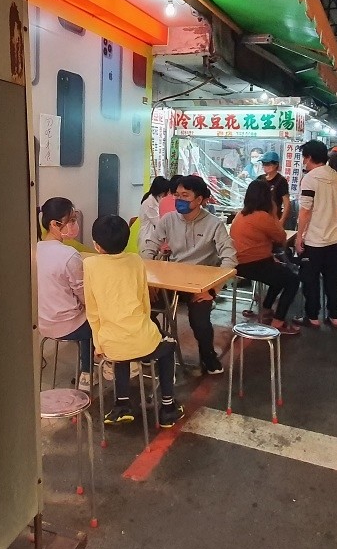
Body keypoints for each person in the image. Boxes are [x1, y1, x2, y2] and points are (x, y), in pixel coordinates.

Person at [84, 215, 183, 428]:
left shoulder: (89, 265)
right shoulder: (136, 260)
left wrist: (98, 344)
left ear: (96, 245)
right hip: (142, 339)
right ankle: (168, 407)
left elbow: (93, 312)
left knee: (122, 352)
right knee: (169, 345)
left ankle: (121, 405)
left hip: (110, 344)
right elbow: (144, 302)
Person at [142, 175, 238, 375]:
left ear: (200, 199)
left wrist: (213, 289)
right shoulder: (168, 220)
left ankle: (208, 357)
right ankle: (154, 346)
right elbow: (150, 246)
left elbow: (230, 259)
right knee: (142, 308)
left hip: (200, 285)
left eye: (185, 196)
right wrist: (147, 277)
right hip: (173, 281)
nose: (179, 200)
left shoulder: (214, 224)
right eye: (177, 195)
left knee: (199, 319)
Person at [230, 180, 301, 335]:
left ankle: (267, 309)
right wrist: (274, 213)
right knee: (292, 280)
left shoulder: (241, 215)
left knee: (280, 274)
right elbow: (281, 238)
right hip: (254, 264)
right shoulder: (262, 216)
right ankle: (278, 322)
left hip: (240, 263)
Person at [37, 198, 93, 391]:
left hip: (42, 323)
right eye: (70, 220)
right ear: (54, 224)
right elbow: (84, 296)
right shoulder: (69, 255)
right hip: (69, 325)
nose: (74, 225)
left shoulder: (33, 250)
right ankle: (87, 372)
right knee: (97, 319)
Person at [296, 140, 337, 328]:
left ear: (308, 157)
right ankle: (334, 316)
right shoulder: (335, 176)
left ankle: (312, 317)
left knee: (311, 280)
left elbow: (305, 210)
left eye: (304, 158)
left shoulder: (310, 178)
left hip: (314, 240)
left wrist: (299, 236)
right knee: (332, 280)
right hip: (334, 238)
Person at [257, 151, 291, 226]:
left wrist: (282, 220)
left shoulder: (281, 181)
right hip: (259, 218)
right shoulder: (259, 179)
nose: (265, 166)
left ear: (276, 165)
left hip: (274, 218)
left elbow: (287, 203)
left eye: (268, 164)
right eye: (263, 163)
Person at [139, 176, 171, 250]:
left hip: (155, 238)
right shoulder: (149, 203)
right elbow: (159, 223)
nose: (166, 194)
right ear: (161, 191)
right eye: (165, 192)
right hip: (148, 238)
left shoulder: (156, 200)